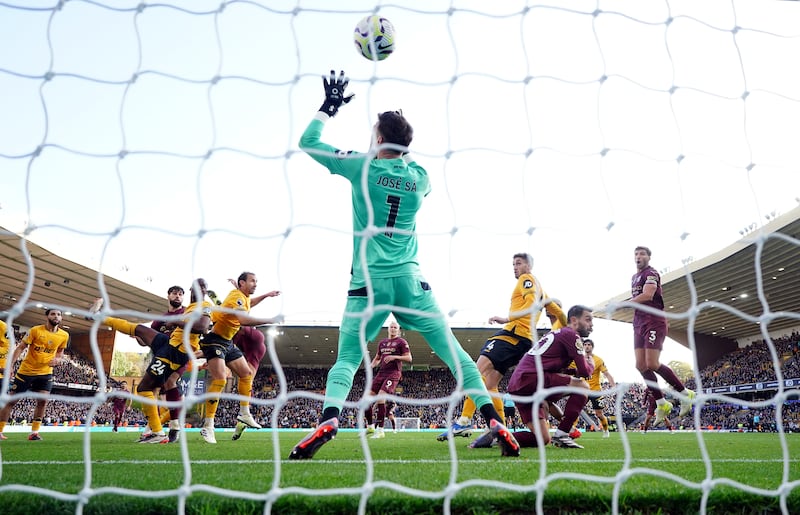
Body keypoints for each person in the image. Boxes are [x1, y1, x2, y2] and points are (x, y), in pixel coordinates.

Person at [289, 70, 519, 459]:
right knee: (459, 358)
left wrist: (329, 107)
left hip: (368, 284)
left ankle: (329, 419)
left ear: (378, 138)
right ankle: (493, 421)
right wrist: (399, 135)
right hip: (412, 283)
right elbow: (405, 156)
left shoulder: (361, 165)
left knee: (347, 358)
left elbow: (307, 141)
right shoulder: (419, 177)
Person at [437, 253, 566, 441]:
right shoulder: (544, 292)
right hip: (523, 341)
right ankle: (499, 427)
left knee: (474, 371)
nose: (515, 267)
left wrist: (506, 319)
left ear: (529, 266)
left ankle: (463, 421)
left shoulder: (527, 279)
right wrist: (557, 331)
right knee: (490, 384)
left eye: (519, 263)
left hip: (513, 335)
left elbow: (529, 304)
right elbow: (561, 314)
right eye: (513, 264)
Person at [91, 279, 212, 443]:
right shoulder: (185, 310)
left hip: (176, 352)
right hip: (168, 345)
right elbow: (148, 335)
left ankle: (158, 431)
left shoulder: (203, 305)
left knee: (146, 388)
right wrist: (140, 338)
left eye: (204, 286)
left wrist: (176, 322)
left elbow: (202, 327)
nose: (201, 289)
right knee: (139, 328)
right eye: (198, 286)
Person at [500, 305, 595, 450]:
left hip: (519, 383)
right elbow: (585, 372)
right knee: (583, 387)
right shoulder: (571, 335)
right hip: (532, 378)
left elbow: (552, 365)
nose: (591, 324)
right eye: (588, 320)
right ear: (574, 320)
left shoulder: (558, 334)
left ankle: (497, 437)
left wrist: (572, 371)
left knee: (542, 439)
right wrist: (591, 364)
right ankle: (562, 434)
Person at [200, 272, 280, 444]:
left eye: (257, 281)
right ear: (241, 283)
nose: (255, 284)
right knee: (221, 379)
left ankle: (244, 413)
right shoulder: (237, 297)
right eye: (252, 281)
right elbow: (244, 320)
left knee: (246, 374)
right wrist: (270, 319)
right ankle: (208, 426)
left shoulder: (242, 298)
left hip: (227, 342)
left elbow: (250, 303)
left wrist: (266, 295)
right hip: (214, 341)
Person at [629, 246, 694, 424]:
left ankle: (685, 393)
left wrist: (622, 304)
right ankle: (662, 403)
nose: (638, 256)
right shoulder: (634, 278)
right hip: (638, 323)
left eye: (642, 254)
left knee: (652, 363)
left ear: (649, 257)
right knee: (641, 365)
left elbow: (648, 295)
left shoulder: (651, 273)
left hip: (653, 322)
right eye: (636, 254)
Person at [0, 309, 69, 441]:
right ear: (47, 316)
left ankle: (34, 433)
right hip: (26, 372)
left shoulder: (64, 335)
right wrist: (10, 365)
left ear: (61, 319)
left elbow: (60, 351)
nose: (56, 316)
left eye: (59, 314)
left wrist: (58, 359)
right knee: (12, 401)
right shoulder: (35, 330)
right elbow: (21, 347)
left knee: (43, 401)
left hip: (45, 373)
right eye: (53, 314)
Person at [229, 283, 281, 441]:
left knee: (246, 378)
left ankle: (244, 415)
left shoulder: (239, 306)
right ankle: (242, 420)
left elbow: (246, 309)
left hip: (254, 344)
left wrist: (266, 295)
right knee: (247, 381)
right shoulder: (236, 304)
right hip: (248, 346)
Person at [150, 285, 187, 443]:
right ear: (168, 296)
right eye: (174, 293)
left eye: (180, 294)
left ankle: (174, 426)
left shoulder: (186, 312)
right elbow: (151, 336)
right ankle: (154, 427)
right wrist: (139, 337)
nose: (177, 296)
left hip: (180, 353)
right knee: (152, 389)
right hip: (161, 355)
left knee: (171, 381)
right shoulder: (160, 319)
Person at [365, 321, 412, 439]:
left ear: (398, 330)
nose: (393, 329)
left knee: (381, 397)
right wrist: (371, 366)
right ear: (388, 329)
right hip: (381, 373)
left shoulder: (401, 342)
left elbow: (409, 358)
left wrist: (395, 357)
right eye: (391, 327)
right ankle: (370, 426)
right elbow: (377, 358)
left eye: (395, 327)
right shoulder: (382, 343)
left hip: (393, 373)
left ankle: (380, 430)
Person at [578, 338, 616, 438]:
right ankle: (569, 431)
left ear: (592, 347)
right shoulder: (579, 359)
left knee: (599, 414)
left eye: (589, 345)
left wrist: (614, 386)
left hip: (596, 390)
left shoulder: (598, 360)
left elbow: (607, 374)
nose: (587, 346)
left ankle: (606, 430)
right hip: (583, 390)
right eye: (585, 344)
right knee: (576, 410)